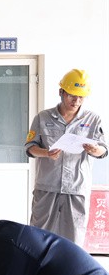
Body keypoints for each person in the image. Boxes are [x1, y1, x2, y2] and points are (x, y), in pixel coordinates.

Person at [25, 68, 107, 246]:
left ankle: (67, 266)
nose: (76, 101)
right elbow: (30, 148)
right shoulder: (43, 117)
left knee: (74, 240)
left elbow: (103, 150)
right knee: (38, 237)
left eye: (81, 97)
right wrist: (46, 153)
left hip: (76, 188)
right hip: (47, 187)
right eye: (72, 95)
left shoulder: (93, 120)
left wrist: (94, 150)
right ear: (61, 92)